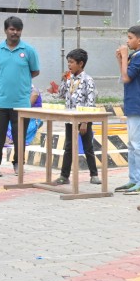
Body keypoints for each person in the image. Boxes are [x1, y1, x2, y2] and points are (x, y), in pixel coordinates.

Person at [0, 16, 40, 176]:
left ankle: (18, 163)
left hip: (21, 102)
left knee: (20, 136)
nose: (15, 32)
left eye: (18, 30)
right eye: (12, 29)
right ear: (5, 30)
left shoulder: (29, 50)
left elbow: (35, 71)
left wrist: (21, 80)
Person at [51, 49, 101, 185]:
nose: (69, 65)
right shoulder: (69, 79)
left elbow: (90, 102)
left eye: (71, 62)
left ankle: (94, 175)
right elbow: (61, 95)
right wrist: (63, 80)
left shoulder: (87, 80)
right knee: (69, 147)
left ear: (81, 63)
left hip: (83, 119)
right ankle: (64, 176)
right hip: (70, 118)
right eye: (68, 62)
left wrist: (85, 122)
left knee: (87, 147)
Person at [116, 25, 140, 195]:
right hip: (132, 104)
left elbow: (126, 77)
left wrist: (124, 56)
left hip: (138, 104)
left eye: (130, 38)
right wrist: (121, 59)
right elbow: (125, 74)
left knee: (138, 145)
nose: (127, 41)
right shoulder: (135, 56)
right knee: (131, 145)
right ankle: (133, 179)